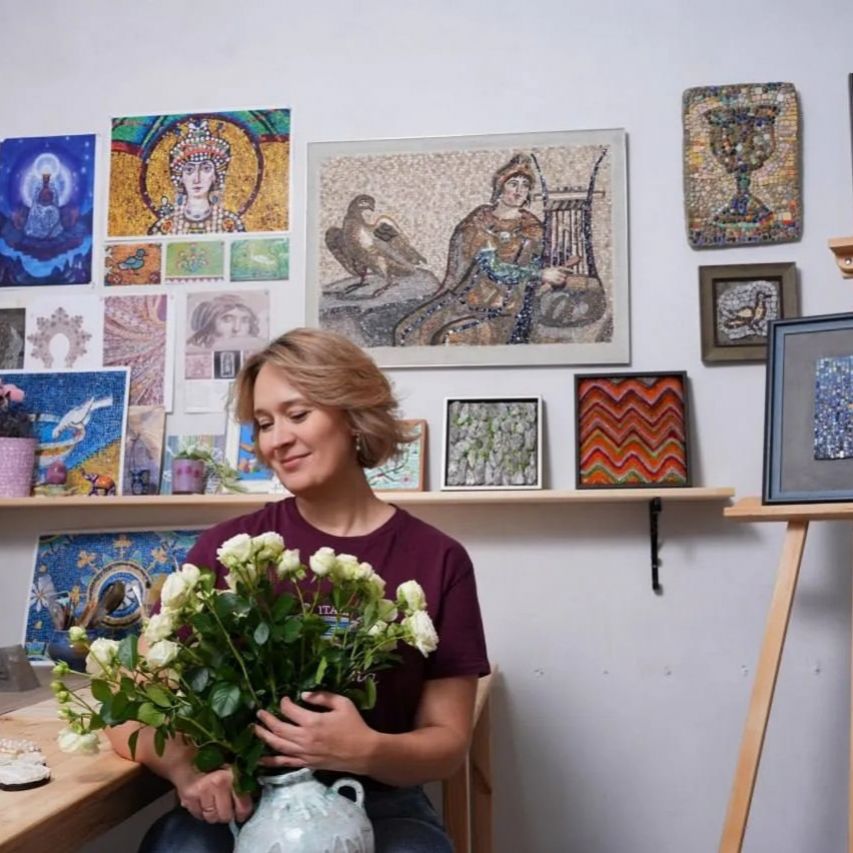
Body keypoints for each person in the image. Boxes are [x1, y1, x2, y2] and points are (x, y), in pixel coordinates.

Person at [105, 327, 490, 853]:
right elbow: (130, 690)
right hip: (245, 796)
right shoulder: (227, 551)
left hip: (379, 798)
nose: (276, 440)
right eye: (264, 424)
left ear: (353, 415)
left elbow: (446, 743)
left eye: (297, 414)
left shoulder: (438, 559)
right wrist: (188, 770)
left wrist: (366, 749)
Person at [394, 153, 579, 348]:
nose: (519, 191)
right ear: (500, 187)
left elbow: (538, 262)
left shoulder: (533, 227)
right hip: (464, 301)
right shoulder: (480, 220)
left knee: (448, 340)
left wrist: (550, 269)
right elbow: (492, 267)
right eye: (513, 184)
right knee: (406, 332)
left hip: (503, 307)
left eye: (525, 186)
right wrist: (539, 274)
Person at [149, 119, 245, 235]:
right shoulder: (165, 227)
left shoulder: (230, 225)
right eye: (189, 170)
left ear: (215, 176)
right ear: (180, 177)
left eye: (206, 169)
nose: (197, 179)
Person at [187, 294, 261, 351]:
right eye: (227, 320)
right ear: (210, 324)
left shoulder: (259, 347)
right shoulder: (193, 348)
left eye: (245, 321)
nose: (236, 328)